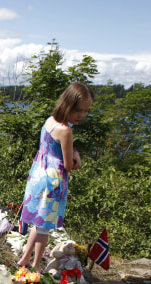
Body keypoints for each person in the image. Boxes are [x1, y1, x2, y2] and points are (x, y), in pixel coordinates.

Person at [17, 82, 94, 270]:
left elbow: (52, 147)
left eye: (85, 111)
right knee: (44, 227)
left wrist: (72, 151)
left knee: (37, 223)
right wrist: (77, 158)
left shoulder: (50, 120)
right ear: (68, 105)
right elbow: (68, 165)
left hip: (38, 175)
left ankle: (25, 259)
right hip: (52, 180)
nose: (81, 115)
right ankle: (35, 266)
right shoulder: (66, 130)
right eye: (78, 110)